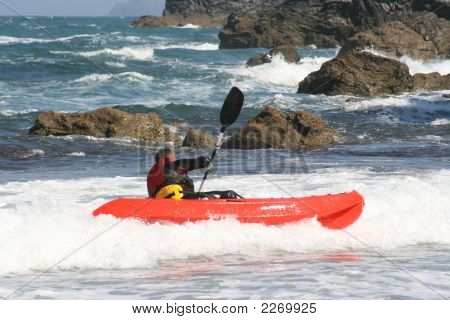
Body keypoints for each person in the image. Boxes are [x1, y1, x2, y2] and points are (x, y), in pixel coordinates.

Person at [147, 146, 242, 200]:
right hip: (180, 200)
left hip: (162, 206)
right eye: (175, 157)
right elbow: (203, 161)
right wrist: (209, 162)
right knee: (229, 195)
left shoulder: (151, 176)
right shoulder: (172, 166)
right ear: (169, 158)